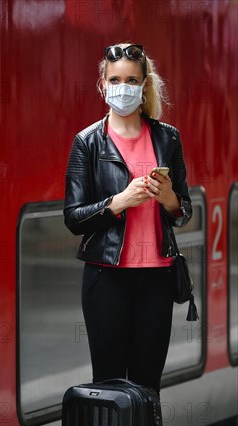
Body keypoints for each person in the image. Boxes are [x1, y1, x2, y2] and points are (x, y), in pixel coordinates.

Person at [64, 43, 192, 394]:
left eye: (132, 80)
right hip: (106, 280)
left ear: (144, 85)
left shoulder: (168, 138)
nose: (123, 87)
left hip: (156, 280)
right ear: (103, 85)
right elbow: (73, 218)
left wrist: (168, 199)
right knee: (108, 386)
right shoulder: (87, 143)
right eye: (115, 79)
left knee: (147, 389)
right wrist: (118, 202)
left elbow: (184, 212)